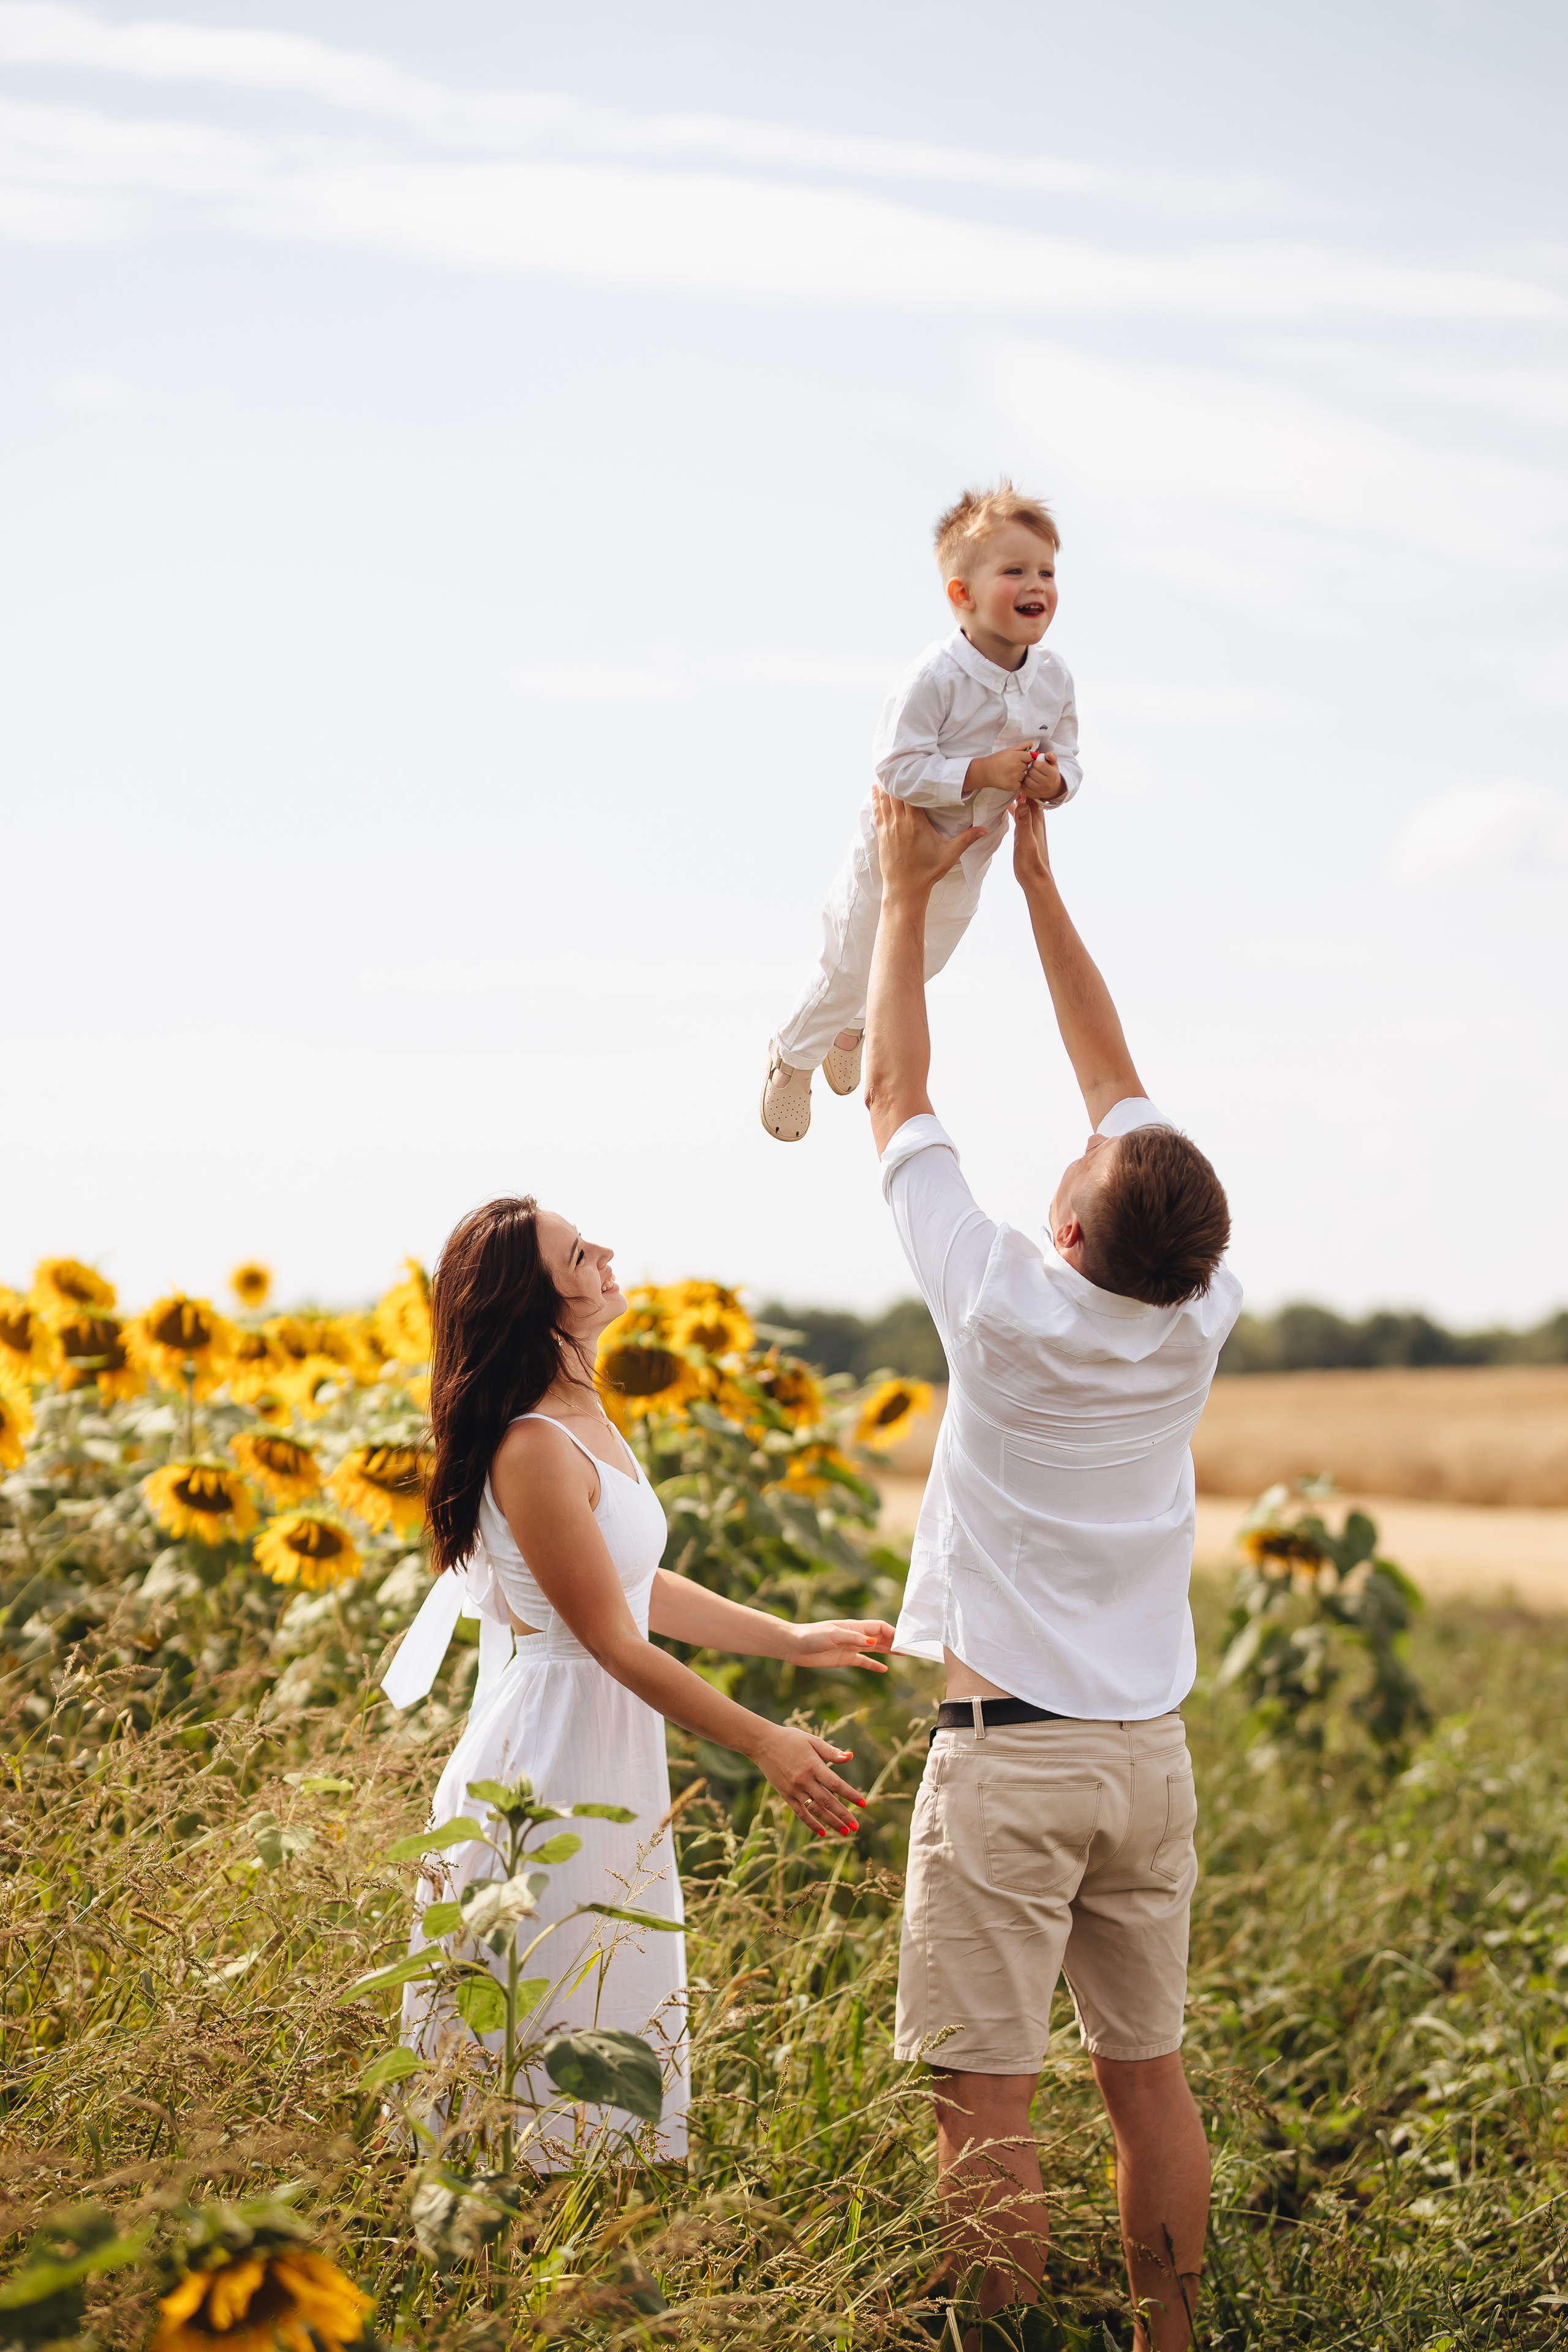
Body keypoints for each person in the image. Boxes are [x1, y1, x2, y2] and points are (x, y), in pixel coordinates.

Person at [863, 789, 1240, 2351]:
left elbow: (891, 1087)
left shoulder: (1004, 1303)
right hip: (1144, 1761)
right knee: (1142, 2078)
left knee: (984, 2101)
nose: (1080, 1144)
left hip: (1009, 1762)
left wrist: (899, 897)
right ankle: (1169, 2342)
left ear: (1070, 1231)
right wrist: (1034, 885)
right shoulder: (1197, 1306)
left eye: (1074, 1173)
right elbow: (1116, 1086)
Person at [382, 1196, 895, 2167]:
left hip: (601, 1741)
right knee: (535, 2033)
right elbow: (614, 1640)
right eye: (579, 1253)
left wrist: (788, 1638)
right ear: (533, 1303)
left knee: (598, 2014)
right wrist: (764, 1740)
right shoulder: (534, 1443)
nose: (607, 1252)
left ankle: (576, 2250)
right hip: (549, 1759)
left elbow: (632, 1582)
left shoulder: (582, 1414)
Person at [761, 480, 1080, 1144]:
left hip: (964, 865)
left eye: (1046, 571)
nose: (1037, 584)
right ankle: (792, 1057)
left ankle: (853, 1028)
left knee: (921, 965)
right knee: (848, 966)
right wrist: (977, 773)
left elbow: (1070, 757)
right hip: (890, 863)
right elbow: (896, 766)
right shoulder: (935, 677)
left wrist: (1052, 783)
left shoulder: (1052, 678)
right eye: (1014, 570)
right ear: (961, 595)